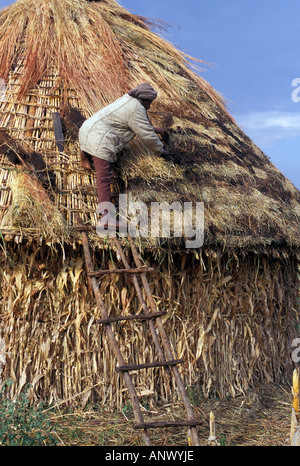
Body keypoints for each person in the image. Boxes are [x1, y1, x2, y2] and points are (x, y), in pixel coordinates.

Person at [78, 83, 169, 228]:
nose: (150, 106)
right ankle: (106, 217)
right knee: (105, 177)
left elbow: (136, 123)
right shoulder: (136, 109)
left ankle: (84, 158)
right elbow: (146, 135)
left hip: (86, 129)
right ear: (143, 99)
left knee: (94, 143)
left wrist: (157, 129)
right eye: (149, 102)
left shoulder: (127, 100)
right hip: (99, 139)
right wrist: (161, 151)